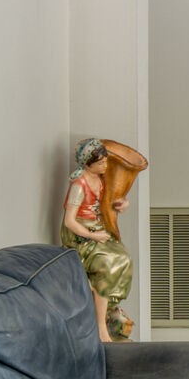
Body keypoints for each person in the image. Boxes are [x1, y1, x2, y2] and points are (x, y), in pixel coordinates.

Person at [61, 137, 148, 341]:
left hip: (96, 228)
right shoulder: (79, 185)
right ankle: (101, 326)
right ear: (88, 164)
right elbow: (69, 222)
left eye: (106, 161)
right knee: (109, 262)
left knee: (124, 258)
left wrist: (122, 204)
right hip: (79, 235)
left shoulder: (100, 179)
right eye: (101, 163)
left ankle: (110, 308)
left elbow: (108, 201)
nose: (106, 165)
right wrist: (92, 235)